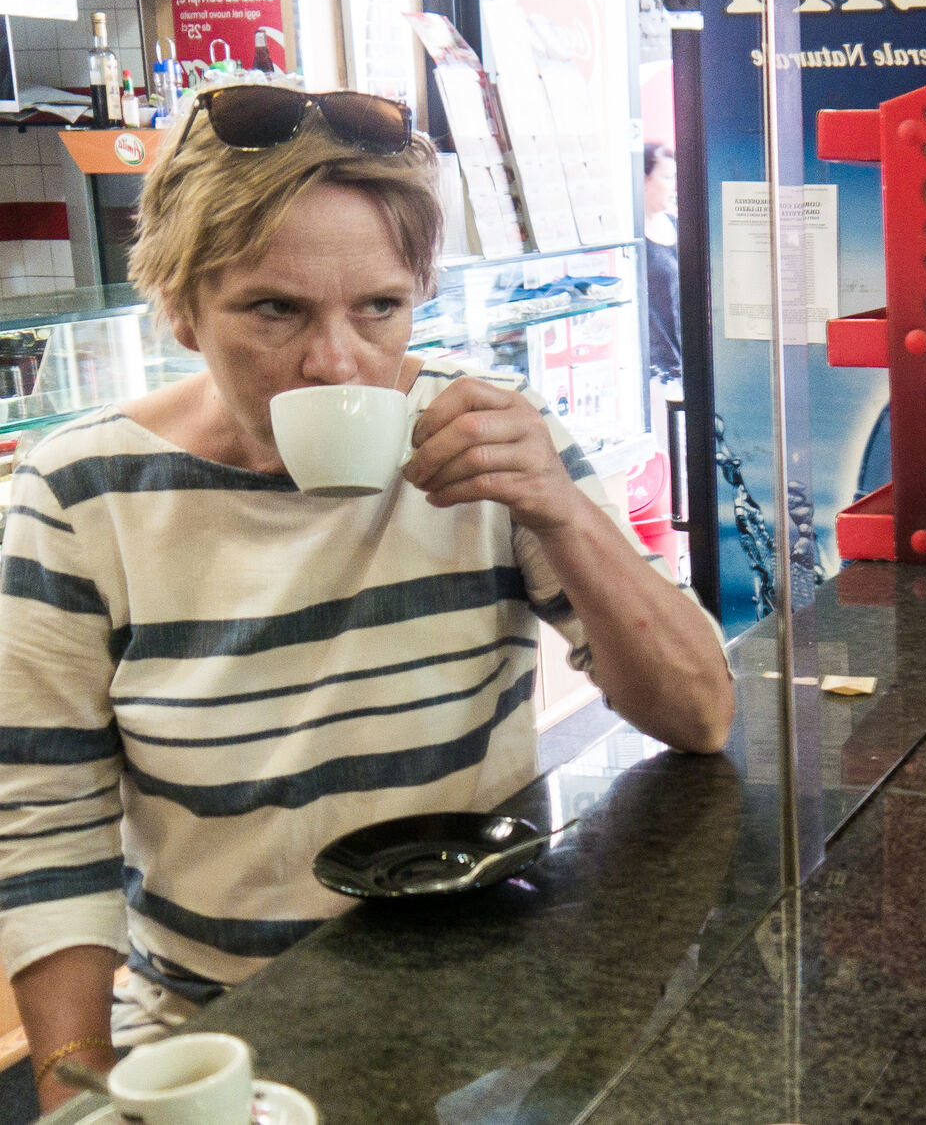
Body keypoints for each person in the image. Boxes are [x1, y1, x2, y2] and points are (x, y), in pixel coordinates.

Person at [0, 87, 735, 1111]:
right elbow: (49, 821)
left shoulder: (490, 442)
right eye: (276, 309)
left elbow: (700, 715)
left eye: (379, 307)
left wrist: (563, 510)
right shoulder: (82, 491)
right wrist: (77, 1086)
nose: (337, 362)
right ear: (179, 307)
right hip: (227, 1035)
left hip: (493, 998)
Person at [642, 143, 682, 385]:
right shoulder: (634, 238)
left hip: (687, 358)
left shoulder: (678, 226)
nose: (674, 186)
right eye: (667, 178)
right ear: (644, 180)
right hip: (657, 370)